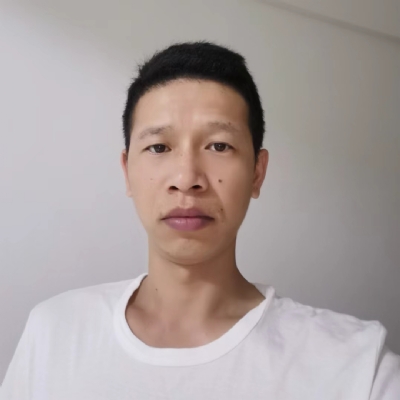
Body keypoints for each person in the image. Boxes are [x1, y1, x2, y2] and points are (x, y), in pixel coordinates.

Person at [1, 40, 399, 400]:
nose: (186, 178)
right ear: (127, 172)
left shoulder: (357, 367)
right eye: (159, 147)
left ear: (257, 173)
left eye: (219, 146)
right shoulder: (54, 332)